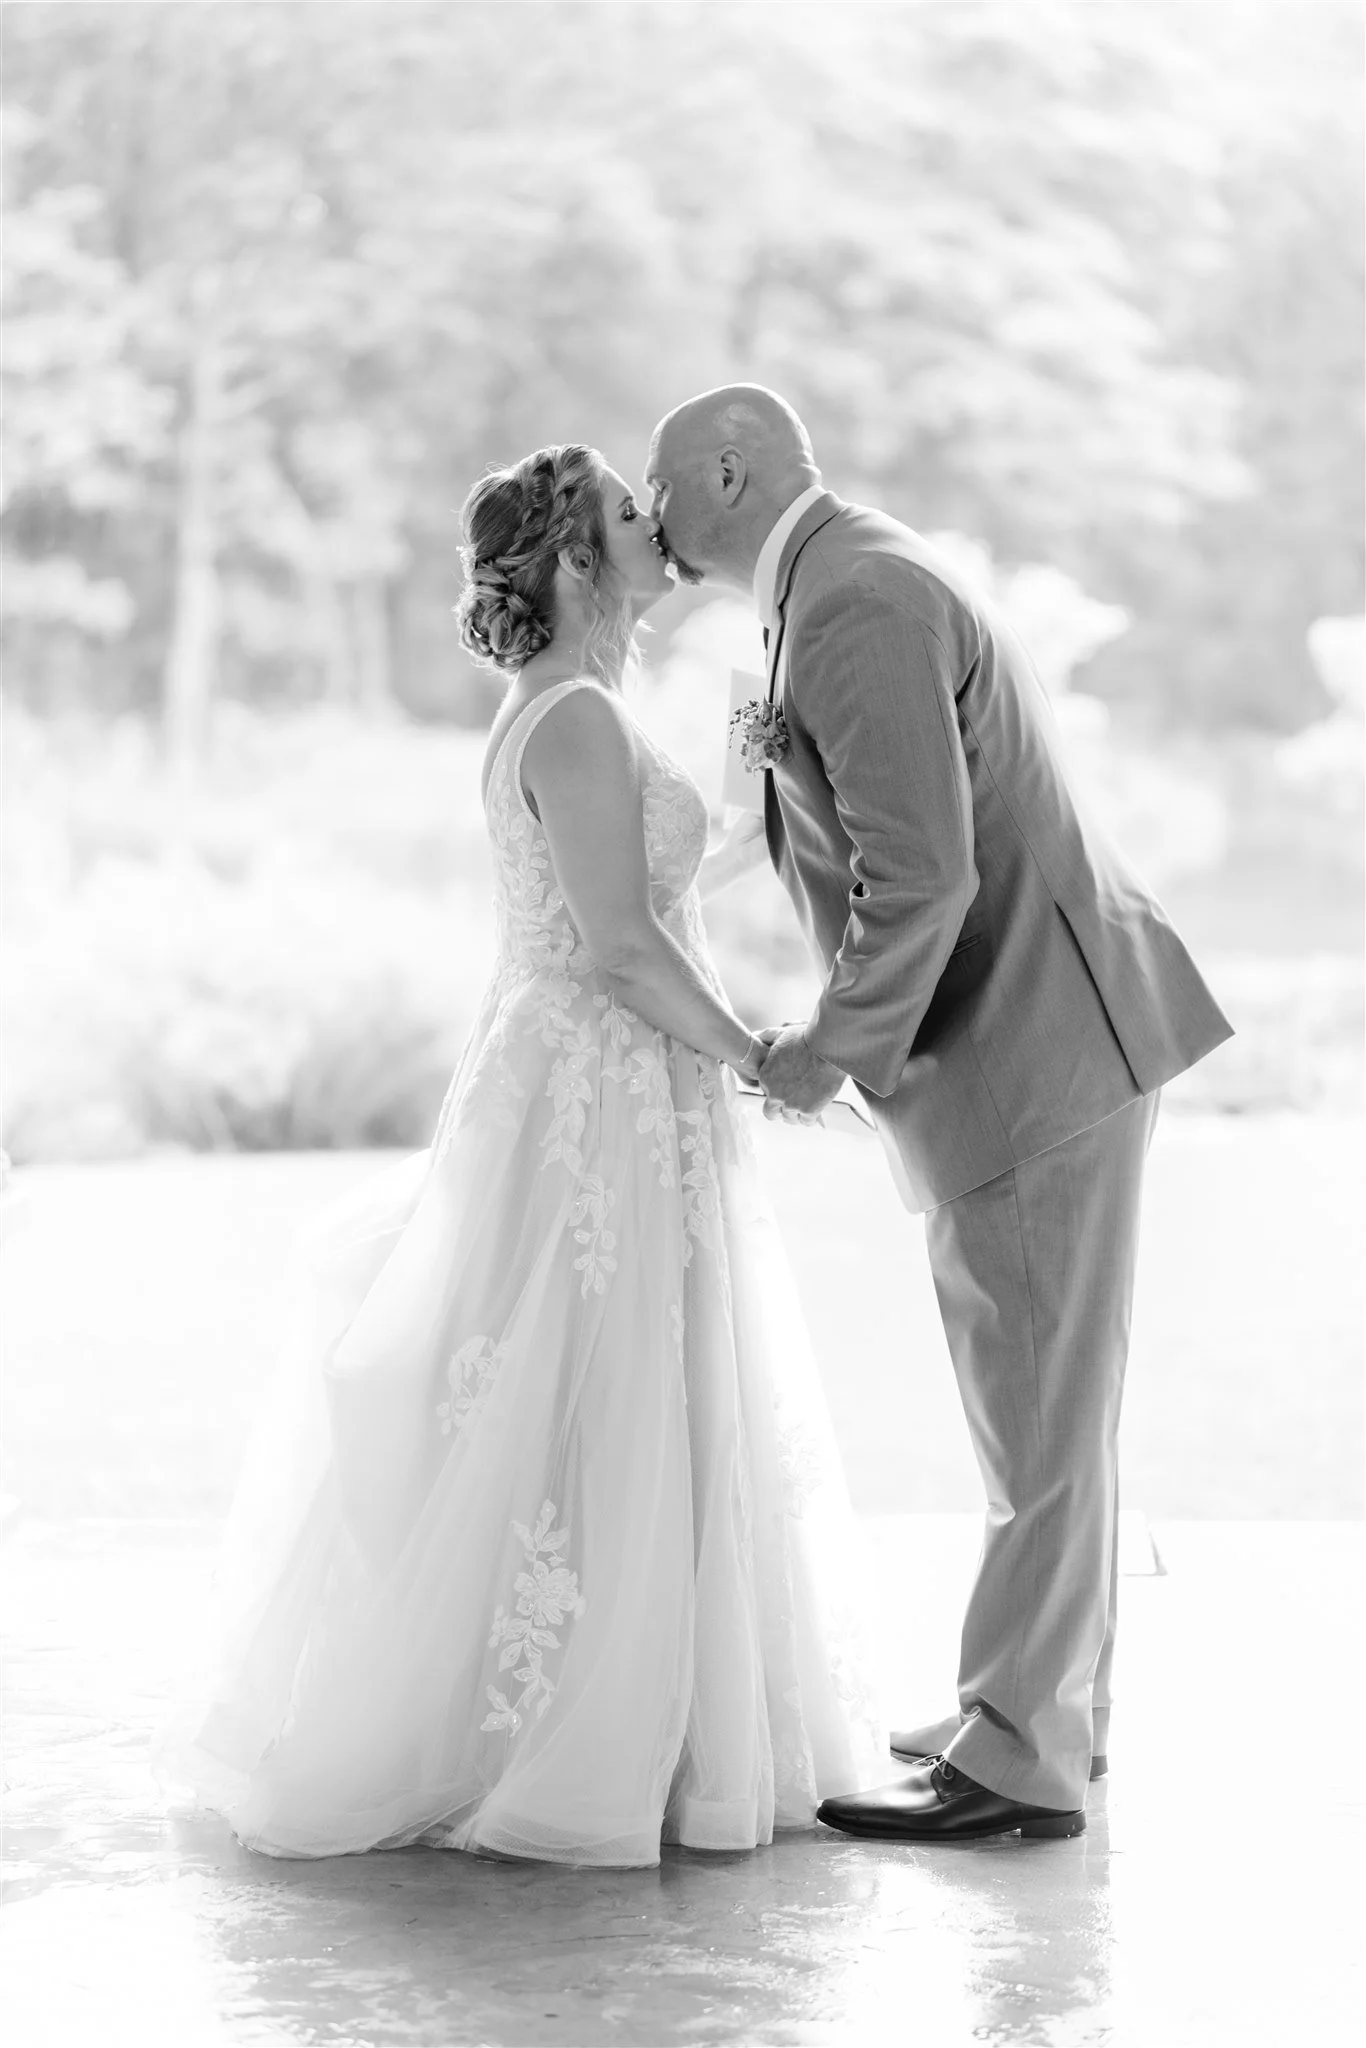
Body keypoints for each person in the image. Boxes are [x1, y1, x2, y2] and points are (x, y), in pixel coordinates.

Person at [153, 442, 887, 1868]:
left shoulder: (571, 709)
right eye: (623, 510)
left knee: (607, 1390)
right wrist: (760, 1059)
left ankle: (643, 1715)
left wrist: (747, 803)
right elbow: (619, 951)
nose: (654, 524)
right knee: (591, 1386)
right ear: (570, 557)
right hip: (595, 1096)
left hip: (603, 1077)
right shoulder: (576, 719)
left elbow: (640, 894)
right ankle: (568, 1737)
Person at [645, 385, 1234, 1842]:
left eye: (663, 485)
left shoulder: (853, 598)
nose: (650, 517)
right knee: (1043, 1405)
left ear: (731, 470)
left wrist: (829, 1050)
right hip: (1043, 1028)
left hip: (1034, 1043)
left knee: (1035, 1407)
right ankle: (1041, 1708)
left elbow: (922, 873)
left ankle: (1021, 1754)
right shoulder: (843, 574)